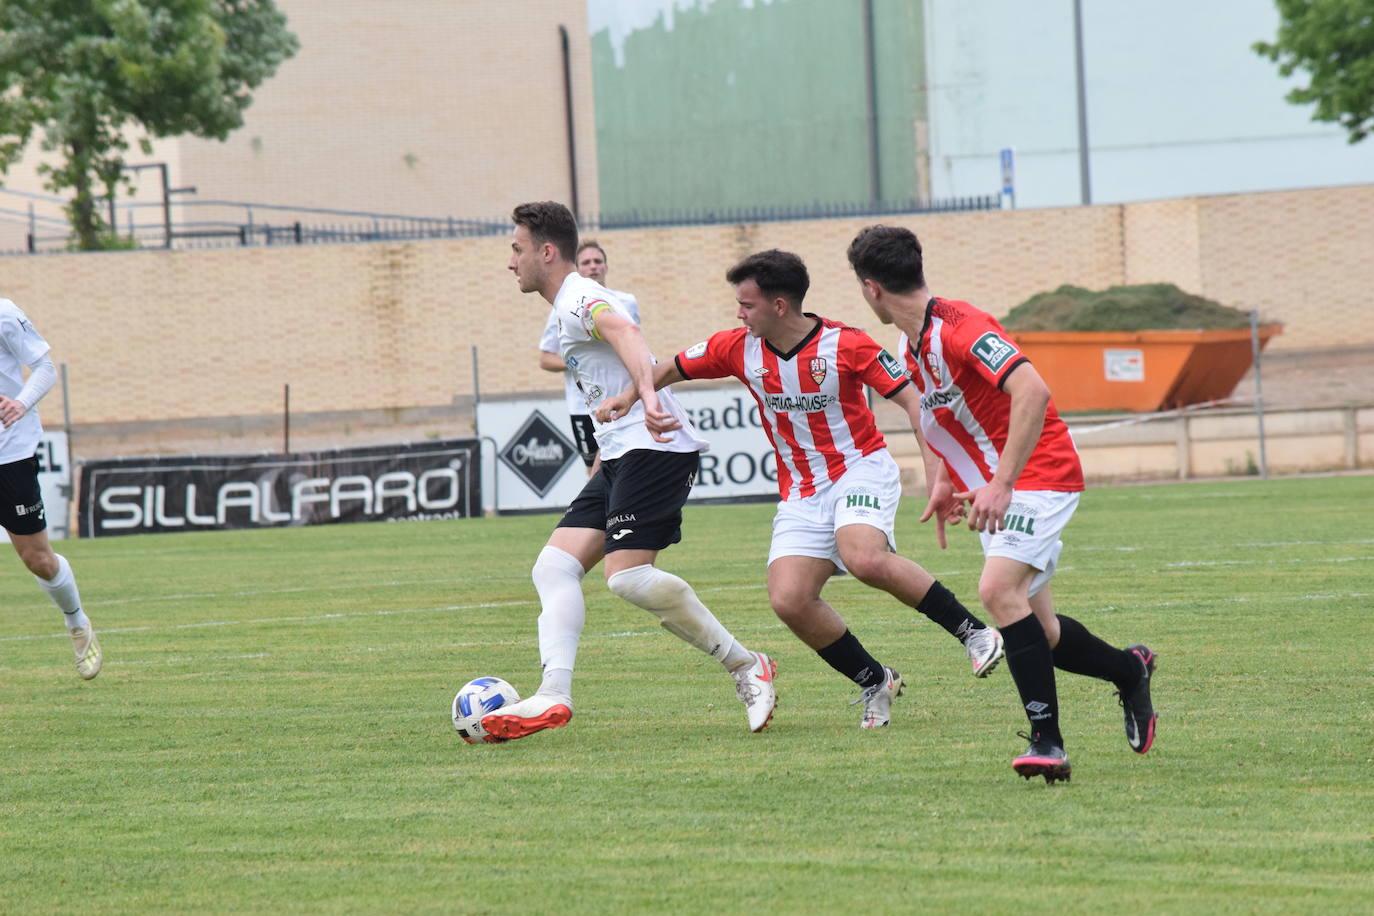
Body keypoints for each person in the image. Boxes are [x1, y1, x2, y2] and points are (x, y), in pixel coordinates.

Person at [596, 249, 1004, 729]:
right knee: (789, 600)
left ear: (780, 305)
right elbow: (669, 367)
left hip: (859, 468)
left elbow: (915, 402)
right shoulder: (736, 346)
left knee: (865, 557)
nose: (739, 313)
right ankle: (876, 680)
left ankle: (973, 633)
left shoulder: (847, 344)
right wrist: (630, 396)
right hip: (801, 490)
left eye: (746, 304)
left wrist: (938, 472)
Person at [847, 224, 1156, 782]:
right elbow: (942, 417)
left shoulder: (962, 328)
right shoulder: (908, 344)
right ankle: (1128, 669)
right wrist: (943, 478)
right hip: (996, 487)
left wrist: (1002, 482)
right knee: (1046, 634)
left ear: (871, 289)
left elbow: (1032, 390)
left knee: (995, 591)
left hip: (1039, 475)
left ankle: (1048, 744)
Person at [485, 201, 777, 740]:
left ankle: (746, 665)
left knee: (628, 577)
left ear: (546, 252)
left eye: (517, 249)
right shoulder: (565, 304)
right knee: (552, 569)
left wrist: (645, 392)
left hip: (654, 446)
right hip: (621, 451)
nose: (511, 262)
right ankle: (553, 692)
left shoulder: (581, 297)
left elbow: (627, 333)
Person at [0, 298, 101, 680]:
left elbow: (44, 368)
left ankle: (77, 622)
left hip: (9, 453)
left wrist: (20, 404)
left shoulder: (4, 313)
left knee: (38, 560)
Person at [537, 241, 641, 476]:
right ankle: (601, 512)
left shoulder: (625, 302)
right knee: (594, 475)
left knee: (622, 466)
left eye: (598, 261)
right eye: (586, 262)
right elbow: (545, 359)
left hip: (619, 398)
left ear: (606, 267)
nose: (593, 267)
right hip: (583, 405)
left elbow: (634, 344)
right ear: (577, 269)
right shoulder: (562, 308)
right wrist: (578, 362)